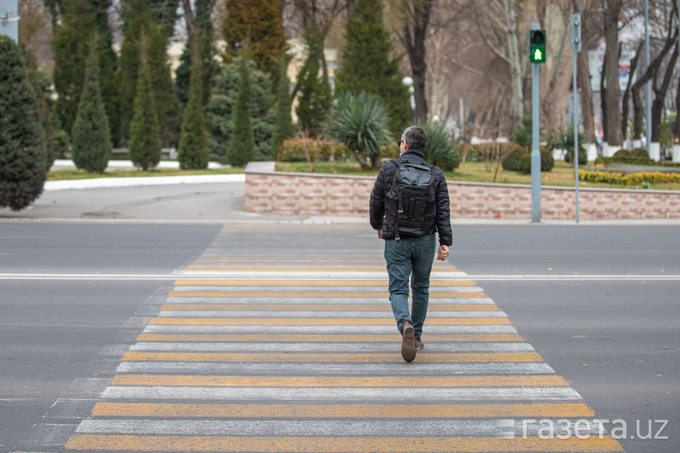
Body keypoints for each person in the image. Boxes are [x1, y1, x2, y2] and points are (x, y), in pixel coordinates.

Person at [369, 126, 453, 362]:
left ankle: (405, 323)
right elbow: (443, 211)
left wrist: (377, 225)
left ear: (404, 144)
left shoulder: (389, 169)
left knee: (398, 289)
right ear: (423, 147)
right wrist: (445, 241)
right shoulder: (435, 174)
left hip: (397, 240)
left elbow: (375, 201)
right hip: (425, 240)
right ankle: (416, 337)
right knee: (421, 288)